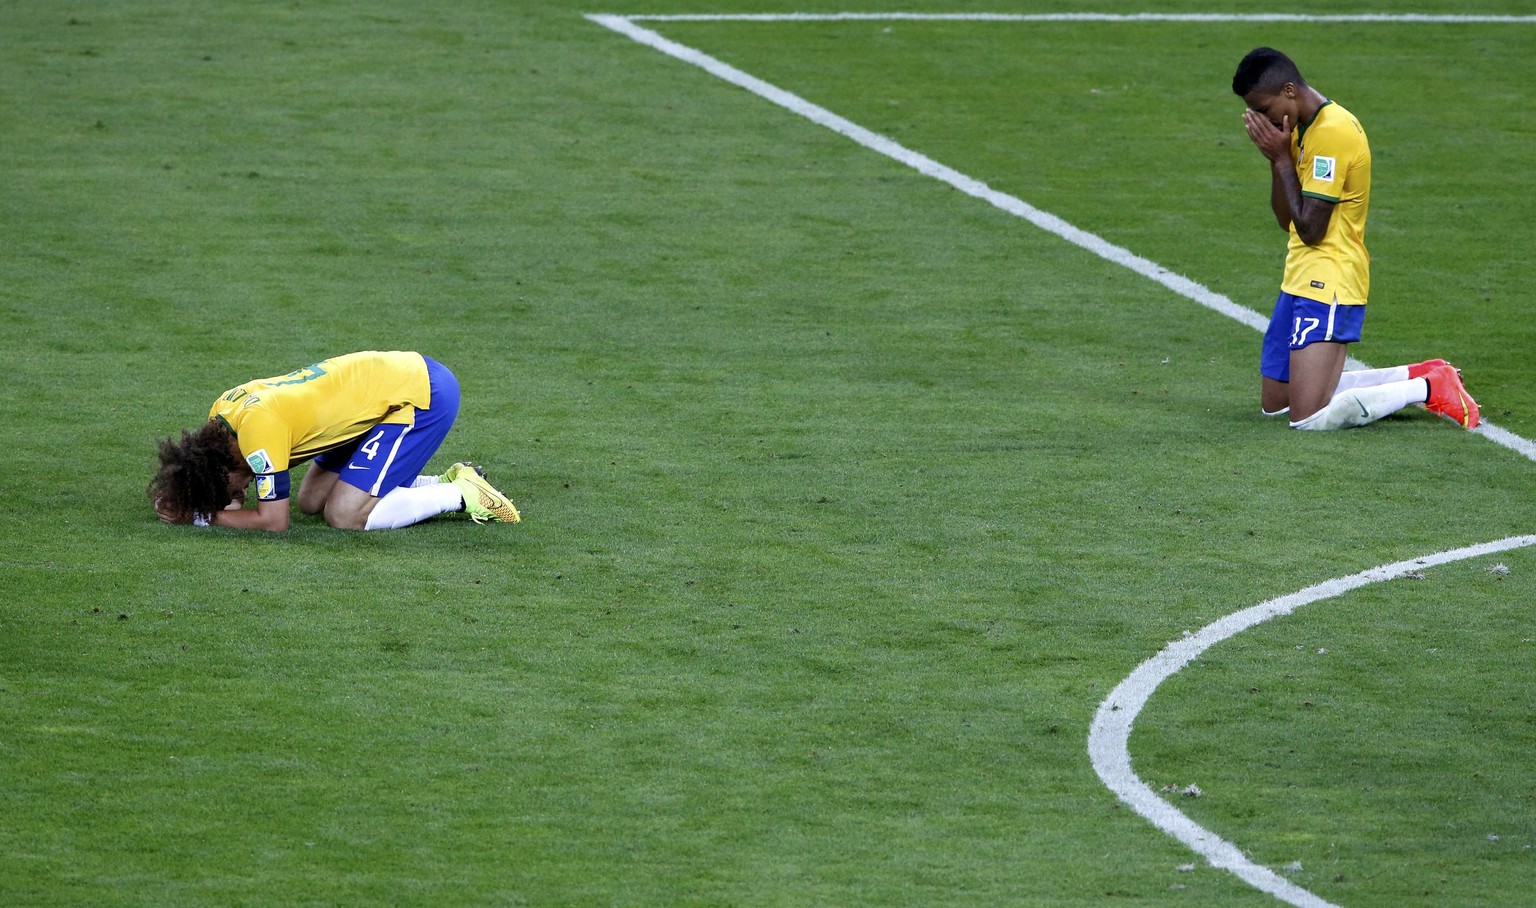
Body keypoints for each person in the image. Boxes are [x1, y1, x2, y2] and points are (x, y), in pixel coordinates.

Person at [1232, 47, 1479, 431]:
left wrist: (1283, 161)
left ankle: (1429, 387)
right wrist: (1275, 159)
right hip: (1298, 274)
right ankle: (1418, 372)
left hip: (1329, 279)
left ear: (1290, 90)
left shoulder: (1332, 133)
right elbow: (1288, 221)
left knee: (1309, 419)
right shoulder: (1299, 129)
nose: (1264, 121)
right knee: (1276, 404)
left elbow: (1312, 230)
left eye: (1264, 110)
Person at [149, 350, 522, 531]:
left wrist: (202, 516)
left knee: (344, 515)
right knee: (312, 501)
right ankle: (434, 481)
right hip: (375, 397)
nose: (238, 493)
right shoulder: (224, 415)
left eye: (226, 488)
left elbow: (274, 522)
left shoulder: (259, 441)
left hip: (419, 395)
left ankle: (463, 494)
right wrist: (187, 492)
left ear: (222, 469)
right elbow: (239, 486)